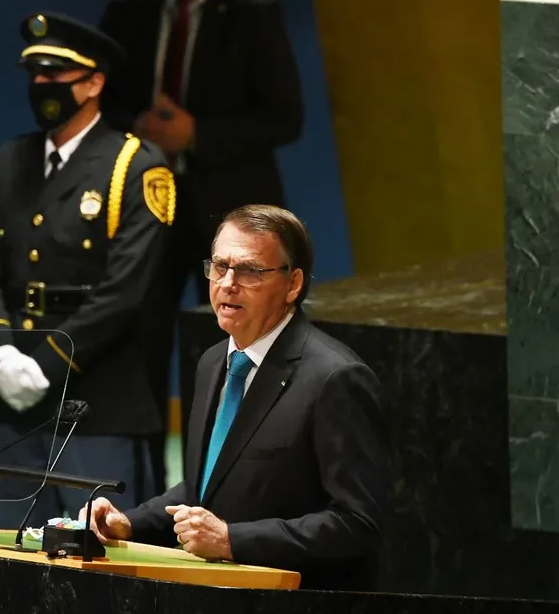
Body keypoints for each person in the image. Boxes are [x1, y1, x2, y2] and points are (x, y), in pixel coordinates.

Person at [79, 205, 389, 591]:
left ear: (293, 284)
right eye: (219, 266)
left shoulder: (334, 378)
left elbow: (358, 523)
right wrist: (130, 522)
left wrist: (232, 540)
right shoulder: (213, 363)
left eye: (249, 271)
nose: (227, 283)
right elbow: (206, 486)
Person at [97, 0, 306, 496]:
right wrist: (136, 127)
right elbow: (101, 103)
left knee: (223, 344)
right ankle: (141, 489)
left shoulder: (252, 9)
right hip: (145, 210)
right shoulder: (128, 8)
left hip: (229, 213)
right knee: (139, 342)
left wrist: (198, 136)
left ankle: (215, 486)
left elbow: (286, 115)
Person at [0, 11, 175, 529]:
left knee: (96, 556)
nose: (41, 86)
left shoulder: (135, 166)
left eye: (55, 75)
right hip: (13, 393)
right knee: (8, 553)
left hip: (95, 394)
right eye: (35, 75)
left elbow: (125, 292)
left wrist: (47, 365)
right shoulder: (12, 160)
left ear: (94, 82)